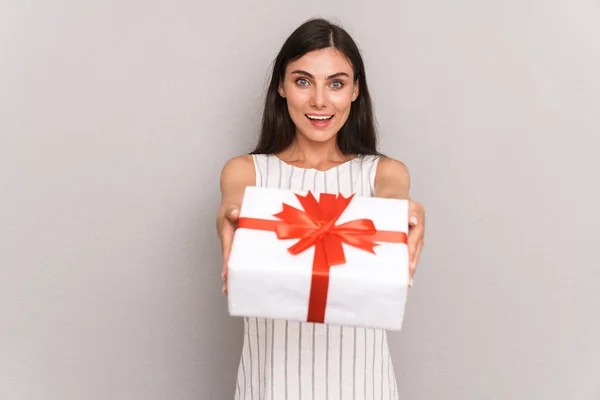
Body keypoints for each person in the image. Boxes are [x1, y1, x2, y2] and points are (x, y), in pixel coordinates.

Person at [216, 18, 425, 400]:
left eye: (336, 83)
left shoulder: (383, 172)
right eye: (302, 81)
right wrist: (230, 215)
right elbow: (234, 202)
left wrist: (404, 211)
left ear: (355, 90)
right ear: (281, 86)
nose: (319, 101)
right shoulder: (247, 171)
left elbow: (394, 195)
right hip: (271, 387)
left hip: (364, 387)